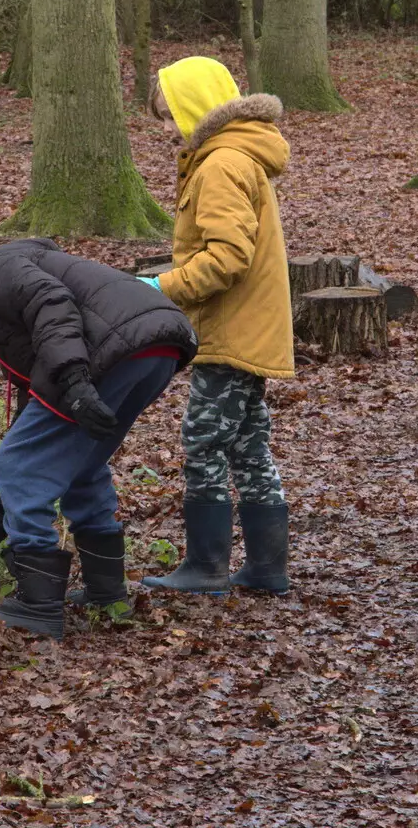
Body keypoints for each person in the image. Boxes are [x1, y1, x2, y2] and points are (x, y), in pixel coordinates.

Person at [0, 238, 197, 639]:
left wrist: (74, 379)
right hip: (158, 343)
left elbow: (51, 300)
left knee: (20, 466)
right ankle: (106, 592)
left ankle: (37, 606)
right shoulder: (33, 343)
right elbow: (28, 432)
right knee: (81, 463)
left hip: (117, 342)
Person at [139, 56, 294, 596]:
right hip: (248, 325)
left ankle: (206, 567)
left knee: (203, 442)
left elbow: (227, 258)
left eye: (168, 116)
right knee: (249, 447)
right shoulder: (235, 154)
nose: (165, 130)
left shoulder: (220, 164)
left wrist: (160, 288)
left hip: (231, 329)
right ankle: (267, 570)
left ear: (194, 108)